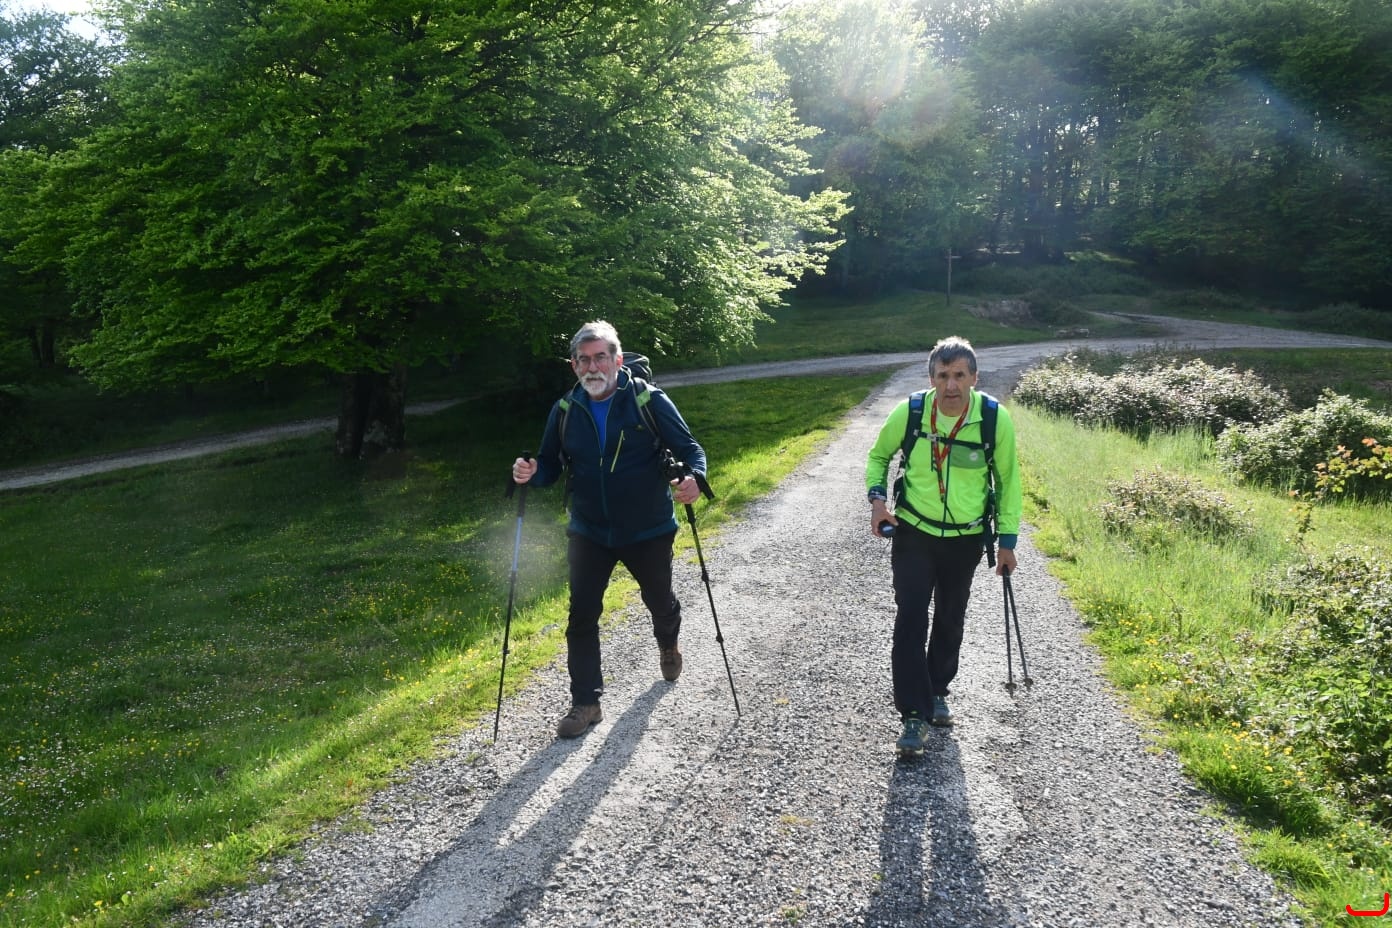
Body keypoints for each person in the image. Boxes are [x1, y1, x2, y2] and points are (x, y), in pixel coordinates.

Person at [512, 321, 707, 739]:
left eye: (601, 357)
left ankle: (668, 643)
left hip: (648, 528)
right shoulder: (566, 409)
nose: (592, 367)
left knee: (659, 601)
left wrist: (694, 477)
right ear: (573, 365)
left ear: (617, 361)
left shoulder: (647, 401)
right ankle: (586, 702)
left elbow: (691, 449)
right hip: (590, 530)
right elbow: (549, 465)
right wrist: (530, 471)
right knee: (581, 615)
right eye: (583, 359)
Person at [865, 335, 1022, 757]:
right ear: (931, 378)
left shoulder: (993, 419)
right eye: (942, 376)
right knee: (911, 617)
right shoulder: (912, 412)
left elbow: (1008, 482)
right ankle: (913, 715)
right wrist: (878, 502)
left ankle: (937, 690)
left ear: (974, 377)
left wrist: (1007, 541)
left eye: (959, 376)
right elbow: (878, 456)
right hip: (914, 532)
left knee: (951, 617)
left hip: (965, 538)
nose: (951, 385)